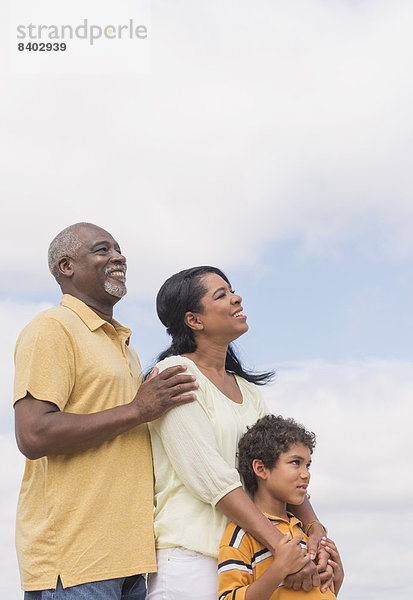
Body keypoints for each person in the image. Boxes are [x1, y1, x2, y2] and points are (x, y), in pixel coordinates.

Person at [13, 222, 199, 600]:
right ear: (67, 267)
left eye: (118, 248)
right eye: (102, 250)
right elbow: (32, 435)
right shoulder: (53, 328)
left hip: (132, 562)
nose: (118, 257)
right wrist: (137, 409)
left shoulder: (122, 342)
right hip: (76, 563)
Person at [146, 266, 332, 600]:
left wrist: (315, 531)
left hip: (252, 558)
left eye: (232, 290)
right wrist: (283, 547)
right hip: (193, 559)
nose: (237, 298)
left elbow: (278, 468)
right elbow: (212, 478)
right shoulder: (174, 374)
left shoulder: (249, 392)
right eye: (221, 295)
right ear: (194, 320)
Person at [218, 415, 344, 600]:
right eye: (295, 462)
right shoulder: (241, 535)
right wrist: (279, 570)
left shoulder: (307, 533)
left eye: (308, 465)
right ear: (261, 469)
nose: (306, 474)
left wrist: (337, 578)